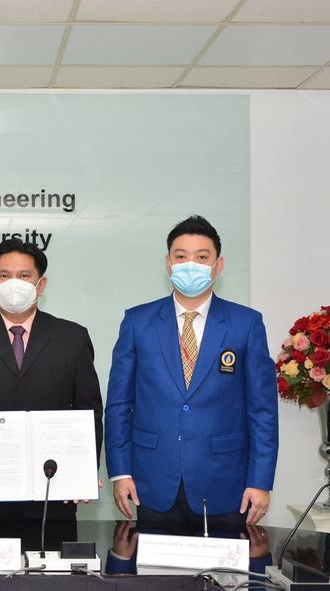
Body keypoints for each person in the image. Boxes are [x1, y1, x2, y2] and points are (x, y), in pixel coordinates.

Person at [105, 215, 278, 527]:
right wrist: (121, 471)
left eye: (202, 257)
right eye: (181, 256)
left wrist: (261, 481)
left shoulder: (246, 324)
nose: (190, 265)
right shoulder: (137, 322)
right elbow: (119, 404)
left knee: (224, 575)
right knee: (152, 575)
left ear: (218, 265)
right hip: (151, 482)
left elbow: (262, 410)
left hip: (226, 483)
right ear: (168, 263)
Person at [0, 238, 104, 520]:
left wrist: (83, 470)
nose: (13, 283)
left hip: (54, 497)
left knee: (52, 565)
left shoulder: (72, 338)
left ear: (41, 284)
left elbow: (88, 413)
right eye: (4, 276)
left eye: (24, 276)